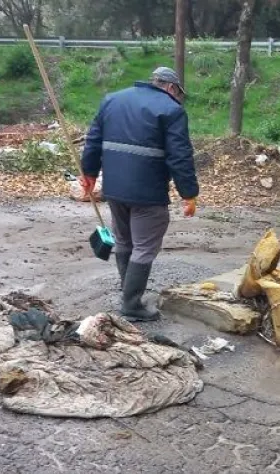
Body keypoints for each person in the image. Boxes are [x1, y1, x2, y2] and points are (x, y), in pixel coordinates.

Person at [80, 67, 199, 322]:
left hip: (114, 189)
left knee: (124, 241)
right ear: (171, 88)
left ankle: (127, 292)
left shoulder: (112, 100)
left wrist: (88, 174)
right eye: (178, 94)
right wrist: (189, 193)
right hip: (148, 192)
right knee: (144, 246)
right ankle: (132, 304)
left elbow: (93, 141)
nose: (177, 99)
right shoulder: (171, 110)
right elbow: (180, 156)